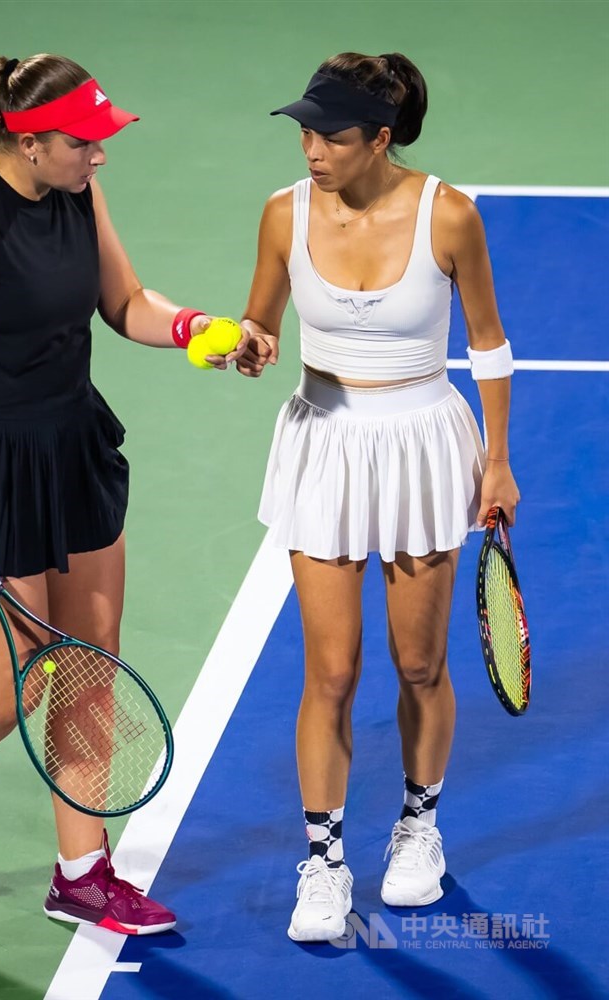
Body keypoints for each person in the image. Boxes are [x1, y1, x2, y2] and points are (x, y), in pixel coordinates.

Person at [0, 53, 245, 934]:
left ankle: (82, 872)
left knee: (92, 660)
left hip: (71, 446)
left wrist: (190, 331)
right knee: (12, 690)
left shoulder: (78, 196)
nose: (99, 157)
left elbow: (125, 300)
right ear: (28, 142)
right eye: (83, 143)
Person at [236, 52, 519, 942]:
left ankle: (417, 829)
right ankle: (321, 862)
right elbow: (262, 323)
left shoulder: (451, 216)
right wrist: (246, 344)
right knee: (330, 670)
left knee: (420, 665)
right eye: (307, 132)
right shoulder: (284, 214)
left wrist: (499, 462)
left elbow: (490, 346)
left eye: (333, 135)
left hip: (424, 447)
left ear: (382, 138)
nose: (313, 149)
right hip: (323, 444)